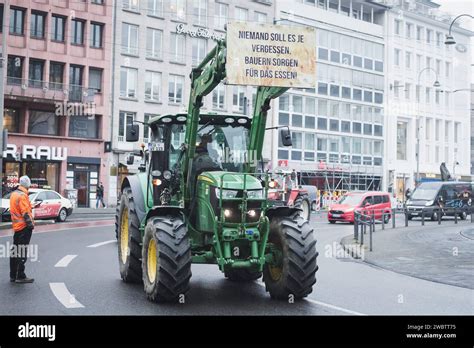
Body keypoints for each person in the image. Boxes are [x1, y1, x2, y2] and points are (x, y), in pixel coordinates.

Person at [9, 176, 35, 283]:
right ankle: (20, 275)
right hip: (24, 227)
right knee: (22, 251)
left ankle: (13, 275)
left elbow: (19, 210)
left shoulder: (14, 194)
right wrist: (31, 225)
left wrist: (31, 207)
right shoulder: (23, 195)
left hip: (17, 227)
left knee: (15, 251)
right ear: (27, 184)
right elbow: (25, 213)